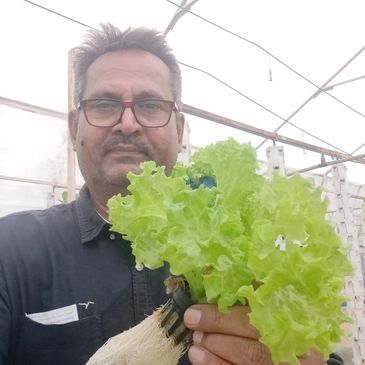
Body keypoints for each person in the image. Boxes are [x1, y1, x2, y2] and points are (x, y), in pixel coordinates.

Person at [0, 23, 344, 365]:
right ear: (75, 128)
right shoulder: (11, 252)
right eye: (104, 104)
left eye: (150, 105)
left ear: (179, 131)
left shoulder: (247, 258)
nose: (128, 123)